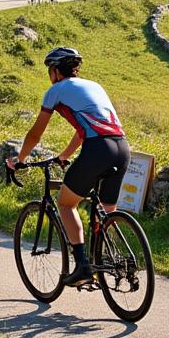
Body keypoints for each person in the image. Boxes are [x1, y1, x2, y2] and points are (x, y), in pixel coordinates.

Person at [9, 47, 130, 287]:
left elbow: (35, 134)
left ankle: (83, 266)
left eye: (49, 70)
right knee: (106, 213)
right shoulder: (94, 86)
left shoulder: (55, 90)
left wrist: (20, 160)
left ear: (55, 71)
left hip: (98, 149)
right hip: (122, 148)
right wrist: (64, 155)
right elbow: (85, 128)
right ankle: (110, 261)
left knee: (66, 203)